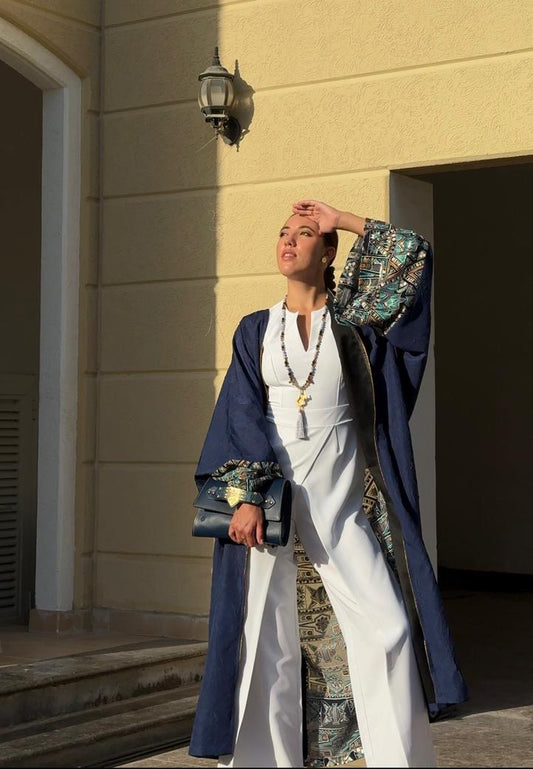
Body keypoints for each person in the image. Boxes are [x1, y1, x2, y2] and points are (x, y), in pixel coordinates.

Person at [189, 200, 467, 769]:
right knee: (265, 642)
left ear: (329, 252)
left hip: (342, 513)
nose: (289, 240)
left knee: (390, 629)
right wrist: (246, 497)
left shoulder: (356, 327)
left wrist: (341, 217)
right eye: (283, 232)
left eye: (305, 233)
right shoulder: (255, 330)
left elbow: (413, 256)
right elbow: (240, 415)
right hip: (268, 508)